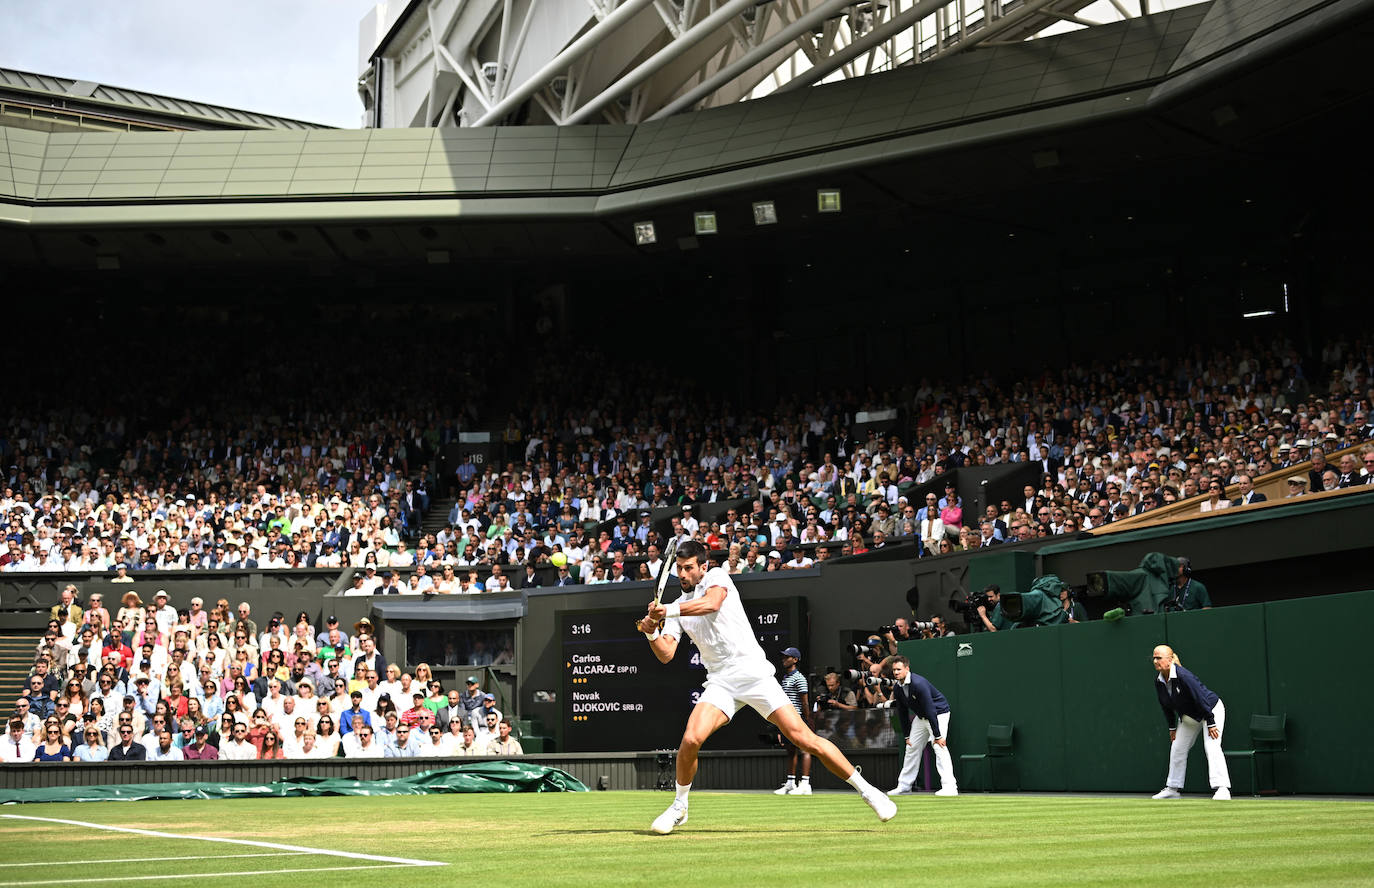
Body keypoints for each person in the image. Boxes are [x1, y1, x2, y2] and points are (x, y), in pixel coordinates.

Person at [638, 541, 895, 834]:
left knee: (804, 739)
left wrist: (668, 610)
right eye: (679, 569)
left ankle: (870, 792)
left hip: (755, 675)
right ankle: (680, 805)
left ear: (702, 567)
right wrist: (650, 634)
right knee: (691, 739)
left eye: (688, 567)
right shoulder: (678, 609)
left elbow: (712, 604)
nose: (683, 573)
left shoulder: (717, 577)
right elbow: (667, 653)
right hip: (720, 681)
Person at [1150, 645, 1231, 800]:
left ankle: (1222, 788)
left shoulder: (1184, 676)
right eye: (1154, 658)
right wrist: (1172, 727)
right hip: (1189, 717)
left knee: (1212, 746)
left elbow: (1200, 698)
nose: (1155, 661)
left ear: (1169, 659)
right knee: (1177, 748)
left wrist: (1211, 721)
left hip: (1210, 710)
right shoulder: (1159, 681)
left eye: (1159, 658)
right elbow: (1165, 705)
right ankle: (1173, 788)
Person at [886, 656, 957, 796]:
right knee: (911, 746)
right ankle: (904, 786)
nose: (896, 672)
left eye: (899, 669)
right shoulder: (898, 688)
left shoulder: (919, 684)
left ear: (907, 669)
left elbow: (931, 709)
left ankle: (950, 787)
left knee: (939, 746)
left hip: (938, 714)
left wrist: (938, 735)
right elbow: (902, 712)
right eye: (894, 670)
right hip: (921, 717)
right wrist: (907, 735)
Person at [773, 647, 812, 796]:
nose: (783, 659)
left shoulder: (799, 678)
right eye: (783, 657)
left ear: (795, 660)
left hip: (798, 718)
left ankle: (805, 784)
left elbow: (805, 702)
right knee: (790, 750)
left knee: (805, 749)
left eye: (787, 657)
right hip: (787, 718)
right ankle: (790, 783)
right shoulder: (786, 678)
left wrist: (807, 721)